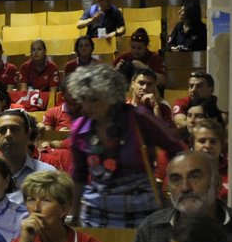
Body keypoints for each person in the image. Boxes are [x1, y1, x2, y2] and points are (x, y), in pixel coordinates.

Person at [64, 64, 183, 227]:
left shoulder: (139, 119)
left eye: (94, 99)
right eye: (84, 99)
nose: (87, 106)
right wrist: (74, 216)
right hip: (96, 213)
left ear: (111, 97)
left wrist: (172, 183)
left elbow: (175, 148)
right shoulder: (80, 128)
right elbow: (79, 175)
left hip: (142, 211)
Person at [0, 109, 55, 207]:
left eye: (15, 129)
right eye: (2, 130)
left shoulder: (47, 174)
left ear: (28, 135)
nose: (8, 135)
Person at [187, 117, 231, 199]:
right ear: (193, 144)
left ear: (221, 145)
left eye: (213, 141)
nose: (207, 146)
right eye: (202, 141)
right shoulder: (182, 169)